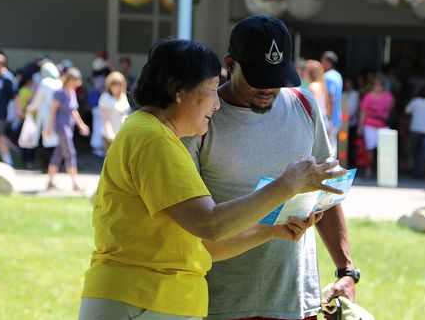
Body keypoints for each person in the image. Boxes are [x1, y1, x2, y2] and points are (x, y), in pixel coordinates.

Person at [78, 38, 346, 320]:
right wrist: (287, 184)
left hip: (148, 299)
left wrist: (272, 231)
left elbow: (204, 247)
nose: (217, 103)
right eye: (209, 90)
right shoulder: (153, 138)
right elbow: (210, 224)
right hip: (141, 299)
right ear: (177, 90)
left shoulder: (154, 134)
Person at [184, 15, 358, 320]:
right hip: (220, 303)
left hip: (295, 300)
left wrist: (346, 270)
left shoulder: (304, 105)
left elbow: (327, 192)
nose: (268, 87)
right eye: (258, 77)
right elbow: (191, 221)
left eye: (276, 77)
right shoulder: (200, 119)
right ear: (230, 63)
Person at [45, 67, 90, 191]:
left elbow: (74, 111)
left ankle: (50, 181)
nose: (77, 84)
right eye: (75, 81)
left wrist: (81, 125)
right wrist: (49, 127)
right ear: (69, 80)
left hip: (69, 127)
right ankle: (75, 183)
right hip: (61, 127)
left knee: (58, 154)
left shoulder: (72, 92)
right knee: (70, 153)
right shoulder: (59, 93)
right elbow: (52, 110)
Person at [26, 62, 62, 172]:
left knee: (44, 143)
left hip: (45, 118)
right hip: (58, 118)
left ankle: (45, 167)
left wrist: (29, 108)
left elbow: (37, 100)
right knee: (56, 144)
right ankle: (55, 167)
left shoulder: (45, 83)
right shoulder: (60, 83)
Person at [358, 74, 394, 178]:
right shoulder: (368, 96)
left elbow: (391, 109)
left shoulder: (388, 96)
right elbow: (363, 112)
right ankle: (369, 168)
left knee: (386, 149)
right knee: (369, 148)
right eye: (376, 85)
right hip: (370, 124)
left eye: (379, 85)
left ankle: (384, 171)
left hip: (383, 124)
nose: (378, 87)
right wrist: (360, 126)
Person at [405, 84, 425, 178]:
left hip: (415, 129)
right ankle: (422, 172)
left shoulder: (415, 101)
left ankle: (415, 171)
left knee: (414, 151)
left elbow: (407, 111)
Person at [98, 71, 131, 152]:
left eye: (119, 83)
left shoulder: (123, 96)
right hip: (111, 136)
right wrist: (110, 135)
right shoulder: (105, 97)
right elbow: (105, 120)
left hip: (123, 134)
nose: (117, 86)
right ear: (109, 85)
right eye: (114, 84)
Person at [321, 51, 343, 156]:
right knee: (333, 145)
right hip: (337, 116)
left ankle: (329, 170)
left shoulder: (327, 77)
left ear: (329, 62)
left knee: (327, 148)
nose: (322, 64)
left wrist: (328, 118)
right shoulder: (338, 75)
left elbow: (331, 98)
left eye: (323, 61)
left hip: (331, 117)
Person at [305, 59, 331, 132]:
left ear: (310, 73)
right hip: (324, 120)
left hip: (316, 123)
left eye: (306, 70)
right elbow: (327, 105)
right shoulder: (321, 85)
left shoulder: (313, 86)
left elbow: (314, 107)